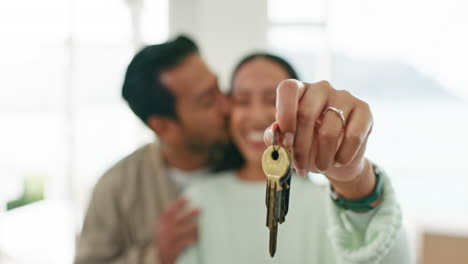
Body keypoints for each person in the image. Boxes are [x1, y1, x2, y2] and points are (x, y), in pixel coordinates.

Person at [176, 53, 412, 264]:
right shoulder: (197, 200)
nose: (257, 116)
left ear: (298, 111)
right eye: (242, 100)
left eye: (272, 101)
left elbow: (391, 258)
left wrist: (356, 181)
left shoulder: (331, 203)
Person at [75, 36, 231, 264]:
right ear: (163, 126)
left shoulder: (254, 159)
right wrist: (157, 256)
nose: (227, 105)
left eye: (219, 87)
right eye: (208, 101)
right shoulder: (115, 189)